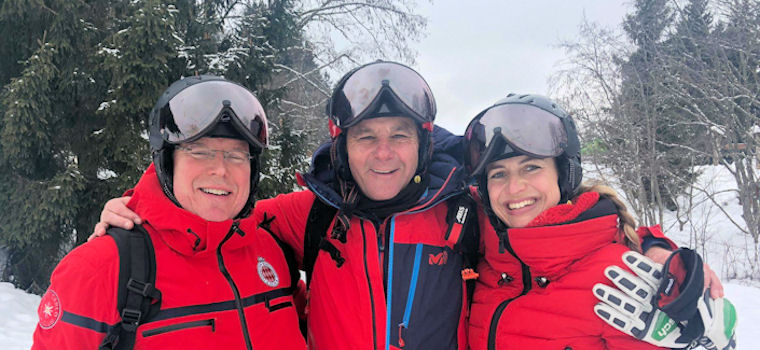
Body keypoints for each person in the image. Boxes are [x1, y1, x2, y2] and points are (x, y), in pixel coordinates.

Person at [90, 63, 719, 350]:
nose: (383, 153)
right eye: (366, 137)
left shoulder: (467, 208)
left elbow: (561, 231)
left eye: (399, 136)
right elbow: (210, 216)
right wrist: (132, 216)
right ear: (342, 147)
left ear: (424, 142)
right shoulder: (310, 214)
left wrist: (656, 248)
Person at [32, 76, 306, 350]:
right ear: (168, 163)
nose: (221, 170)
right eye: (200, 152)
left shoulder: (272, 251)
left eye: (236, 156)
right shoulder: (99, 270)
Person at [463, 93, 737, 350]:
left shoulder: (619, 279)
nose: (514, 188)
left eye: (531, 167)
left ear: (563, 174)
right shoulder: (480, 250)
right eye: (498, 174)